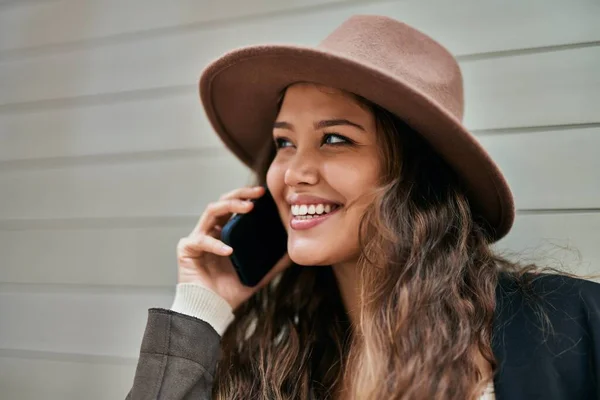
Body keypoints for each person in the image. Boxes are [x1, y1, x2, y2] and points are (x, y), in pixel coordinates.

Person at [125, 15, 600, 400]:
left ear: (416, 174)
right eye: (284, 142)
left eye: (335, 139)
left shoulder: (570, 324)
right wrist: (201, 308)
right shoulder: (278, 364)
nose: (293, 173)